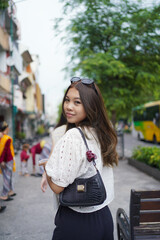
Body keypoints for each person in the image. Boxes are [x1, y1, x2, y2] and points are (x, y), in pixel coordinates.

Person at [45, 77, 118, 240]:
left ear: (91, 105)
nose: (68, 107)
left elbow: (57, 187)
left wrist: (46, 168)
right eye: (67, 100)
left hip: (77, 221)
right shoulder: (103, 133)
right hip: (104, 217)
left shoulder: (73, 136)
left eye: (77, 102)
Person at [0, 121, 16, 201]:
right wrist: (2, 161)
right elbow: (5, 150)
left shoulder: (2, 137)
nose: (9, 129)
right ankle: (4, 195)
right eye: (8, 127)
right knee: (7, 178)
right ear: (6, 128)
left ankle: (10, 191)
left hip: (3, 160)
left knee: (7, 177)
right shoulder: (7, 138)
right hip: (7, 160)